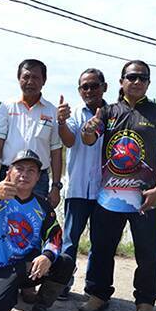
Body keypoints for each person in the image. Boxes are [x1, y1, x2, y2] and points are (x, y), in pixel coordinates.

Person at [79, 60, 156, 311]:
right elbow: (89, 139)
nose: (137, 82)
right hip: (110, 195)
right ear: (121, 81)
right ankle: (97, 294)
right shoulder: (107, 111)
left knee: (148, 251)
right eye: (131, 77)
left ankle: (145, 301)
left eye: (143, 78)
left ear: (148, 83)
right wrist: (88, 130)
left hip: (146, 197)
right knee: (101, 247)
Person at [0, 150, 73, 311]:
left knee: (64, 262)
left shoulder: (42, 205)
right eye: (19, 169)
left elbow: (56, 235)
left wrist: (48, 255)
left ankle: (40, 308)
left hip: (28, 268)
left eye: (31, 170)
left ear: (37, 178)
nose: (25, 174)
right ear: (9, 172)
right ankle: (5, 294)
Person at [56, 68, 107, 299]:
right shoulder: (75, 113)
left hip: (106, 190)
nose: (89, 90)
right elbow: (68, 141)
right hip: (77, 187)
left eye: (94, 85)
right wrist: (61, 122)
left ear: (104, 87)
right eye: (84, 87)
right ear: (79, 90)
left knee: (100, 241)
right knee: (69, 239)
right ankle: (63, 282)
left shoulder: (115, 114)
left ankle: (94, 288)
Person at [0, 59, 63, 206]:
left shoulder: (52, 111)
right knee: (3, 220)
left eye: (35, 77)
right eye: (26, 77)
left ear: (44, 81)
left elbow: (56, 151)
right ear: (19, 79)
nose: (30, 82)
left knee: (35, 222)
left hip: (39, 178)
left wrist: (56, 186)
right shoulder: (7, 107)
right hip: (9, 175)